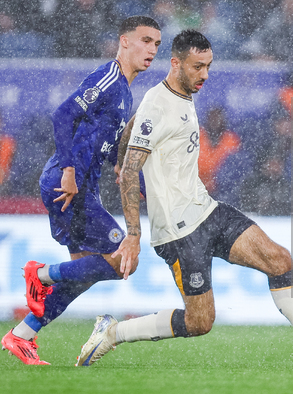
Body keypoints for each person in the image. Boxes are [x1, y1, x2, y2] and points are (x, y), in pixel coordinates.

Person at [75, 30, 293, 369]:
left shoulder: (176, 96)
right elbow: (130, 173)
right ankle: (113, 332)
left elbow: (132, 128)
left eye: (209, 66)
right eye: (198, 67)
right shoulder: (159, 103)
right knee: (200, 322)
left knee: (279, 259)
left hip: (206, 210)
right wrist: (133, 233)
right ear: (176, 63)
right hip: (178, 230)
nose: (205, 75)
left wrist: (120, 155)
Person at [1, 16, 162, 365]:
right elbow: (62, 115)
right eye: (145, 40)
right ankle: (40, 274)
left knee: (84, 273)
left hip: (79, 186)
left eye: (157, 45)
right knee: (124, 259)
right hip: (68, 185)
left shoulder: (124, 91)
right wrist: (70, 171)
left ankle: (21, 336)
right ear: (124, 41)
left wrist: (124, 171)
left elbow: (100, 144)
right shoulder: (109, 78)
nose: (151, 50)